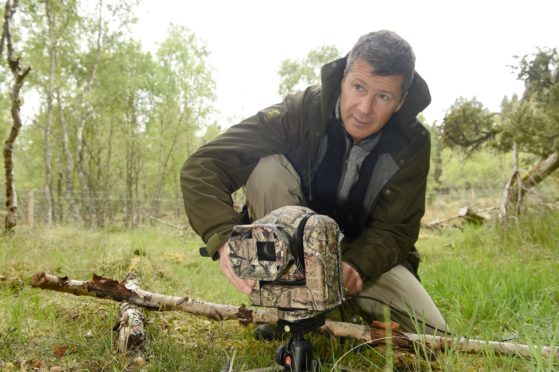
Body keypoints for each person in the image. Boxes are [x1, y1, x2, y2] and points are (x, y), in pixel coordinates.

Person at [181, 30, 447, 335]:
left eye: (383, 97)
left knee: (433, 336)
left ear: (400, 102)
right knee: (266, 168)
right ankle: (291, 309)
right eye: (358, 87)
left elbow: (396, 229)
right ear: (344, 79)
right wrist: (224, 237)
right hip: (293, 243)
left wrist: (356, 266)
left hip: (357, 253)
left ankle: (337, 305)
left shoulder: (413, 144)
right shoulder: (302, 111)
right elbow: (202, 165)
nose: (364, 108)